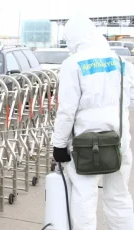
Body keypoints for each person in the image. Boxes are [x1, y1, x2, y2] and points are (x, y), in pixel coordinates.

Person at [52, 16, 134, 229]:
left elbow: (67, 111)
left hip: (86, 145)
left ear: (73, 38)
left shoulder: (73, 64)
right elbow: (130, 99)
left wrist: (59, 144)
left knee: (84, 199)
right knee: (119, 196)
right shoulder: (119, 61)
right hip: (119, 141)